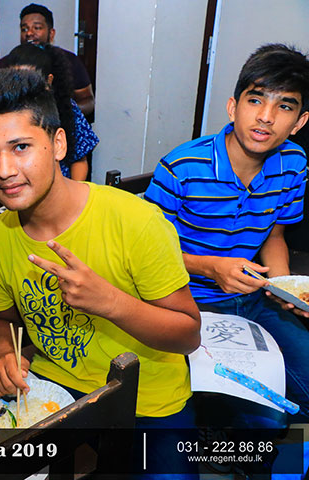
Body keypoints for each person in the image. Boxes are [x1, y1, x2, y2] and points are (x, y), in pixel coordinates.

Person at [0, 69, 200, 475]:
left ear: (59, 144)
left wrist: (111, 302)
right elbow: (0, 317)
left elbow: (188, 336)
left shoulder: (137, 222)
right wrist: (4, 351)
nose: (3, 169)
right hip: (49, 390)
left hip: (145, 398)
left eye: (21, 147)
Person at [145, 44, 309, 425]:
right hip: (185, 303)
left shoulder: (295, 163)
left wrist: (284, 287)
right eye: (256, 100)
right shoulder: (182, 167)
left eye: (284, 106)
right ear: (233, 107)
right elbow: (143, 255)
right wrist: (210, 267)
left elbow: (275, 236)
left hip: (253, 299)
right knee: (268, 421)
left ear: (299, 122)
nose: (266, 117)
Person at [2, 43, 98, 180]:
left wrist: (74, 189)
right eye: (15, 79)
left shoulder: (65, 107)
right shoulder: (3, 112)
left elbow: (79, 160)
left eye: (30, 80)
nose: (23, 87)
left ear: (49, 80)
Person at [0, 3, 95, 116]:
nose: (29, 33)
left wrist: (62, 112)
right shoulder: (5, 63)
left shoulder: (70, 61)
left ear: (51, 33)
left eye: (37, 28)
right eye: (24, 29)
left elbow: (88, 101)